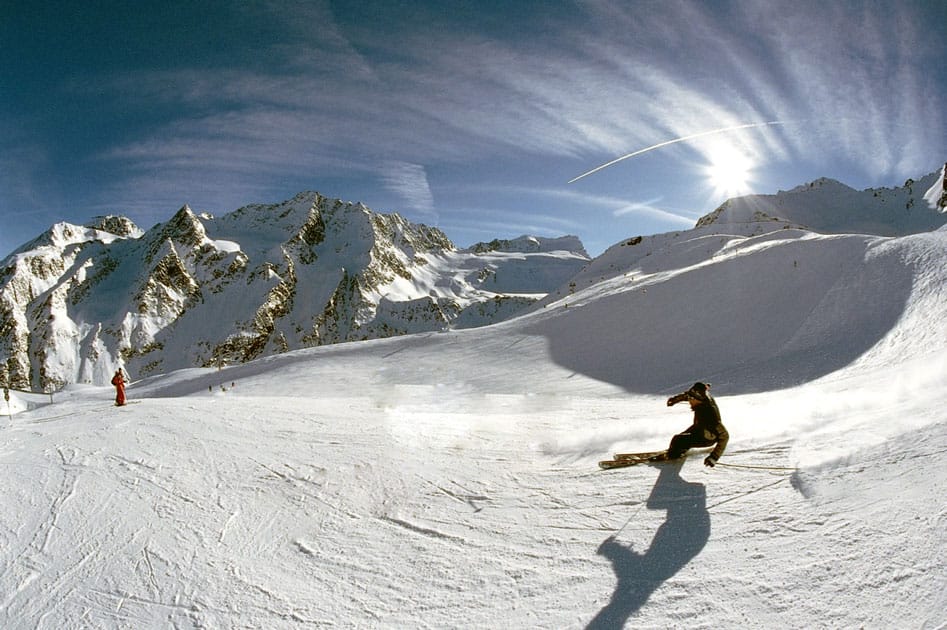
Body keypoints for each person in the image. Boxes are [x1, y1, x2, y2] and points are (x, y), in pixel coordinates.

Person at [657, 381, 728, 467]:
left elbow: (725, 436)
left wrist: (714, 457)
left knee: (678, 440)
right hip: (700, 428)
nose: (689, 400)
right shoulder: (702, 398)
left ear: (698, 399)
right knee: (681, 437)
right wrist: (674, 400)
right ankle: (679, 449)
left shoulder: (710, 415)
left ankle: (673, 455)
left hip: (707, 438)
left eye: (691, 398)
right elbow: (687, 395)